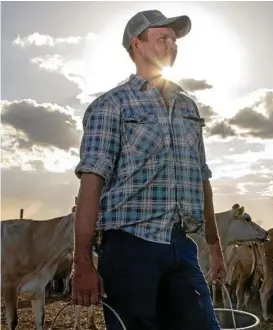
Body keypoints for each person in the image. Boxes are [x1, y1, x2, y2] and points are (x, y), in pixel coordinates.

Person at [71, 9, 225, 330]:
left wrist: (214, 246)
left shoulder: (187, 107)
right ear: (137, 45)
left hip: (181, 245)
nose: (171, 45)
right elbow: (91, 183)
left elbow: (202, 176)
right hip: (130, 246)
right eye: (162, 37)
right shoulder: (111, 106)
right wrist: (82, 262)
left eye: (174, 39)